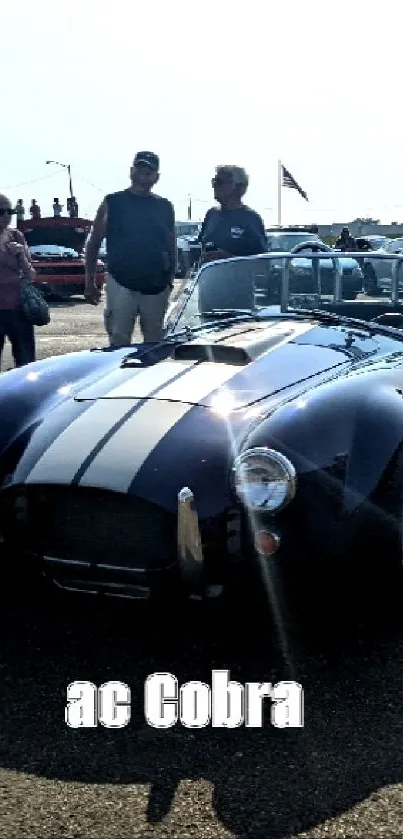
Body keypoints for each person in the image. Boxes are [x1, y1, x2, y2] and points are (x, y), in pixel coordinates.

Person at [85, 151, 176, 345]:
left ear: (156, 177)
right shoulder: (113, 202)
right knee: (118, 341)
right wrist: (89, 281)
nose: (144, 174)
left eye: (150, 171)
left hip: (156, 286)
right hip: (121, 282)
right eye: (140, 168)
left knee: (155, 343)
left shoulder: (165, 206)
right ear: (131, 171)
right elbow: (93, 244)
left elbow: (171, 245)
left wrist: (170, 280)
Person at [198, 165, 267, 264]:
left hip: (237, 278)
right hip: (211, 278)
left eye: (219, 182)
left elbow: (262, 262)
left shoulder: (251, 219)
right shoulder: (211, 214)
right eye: (213, 181)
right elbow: (201, 247)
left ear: (239, 187)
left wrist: (229, 258)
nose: (214, 186)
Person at [0, 193, 36, 369]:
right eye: (1, 211)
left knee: (26, 364)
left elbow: (31, 275)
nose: (6, 215)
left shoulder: (16, 236)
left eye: (10, 211)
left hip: (18, 308)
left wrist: (21, 254)